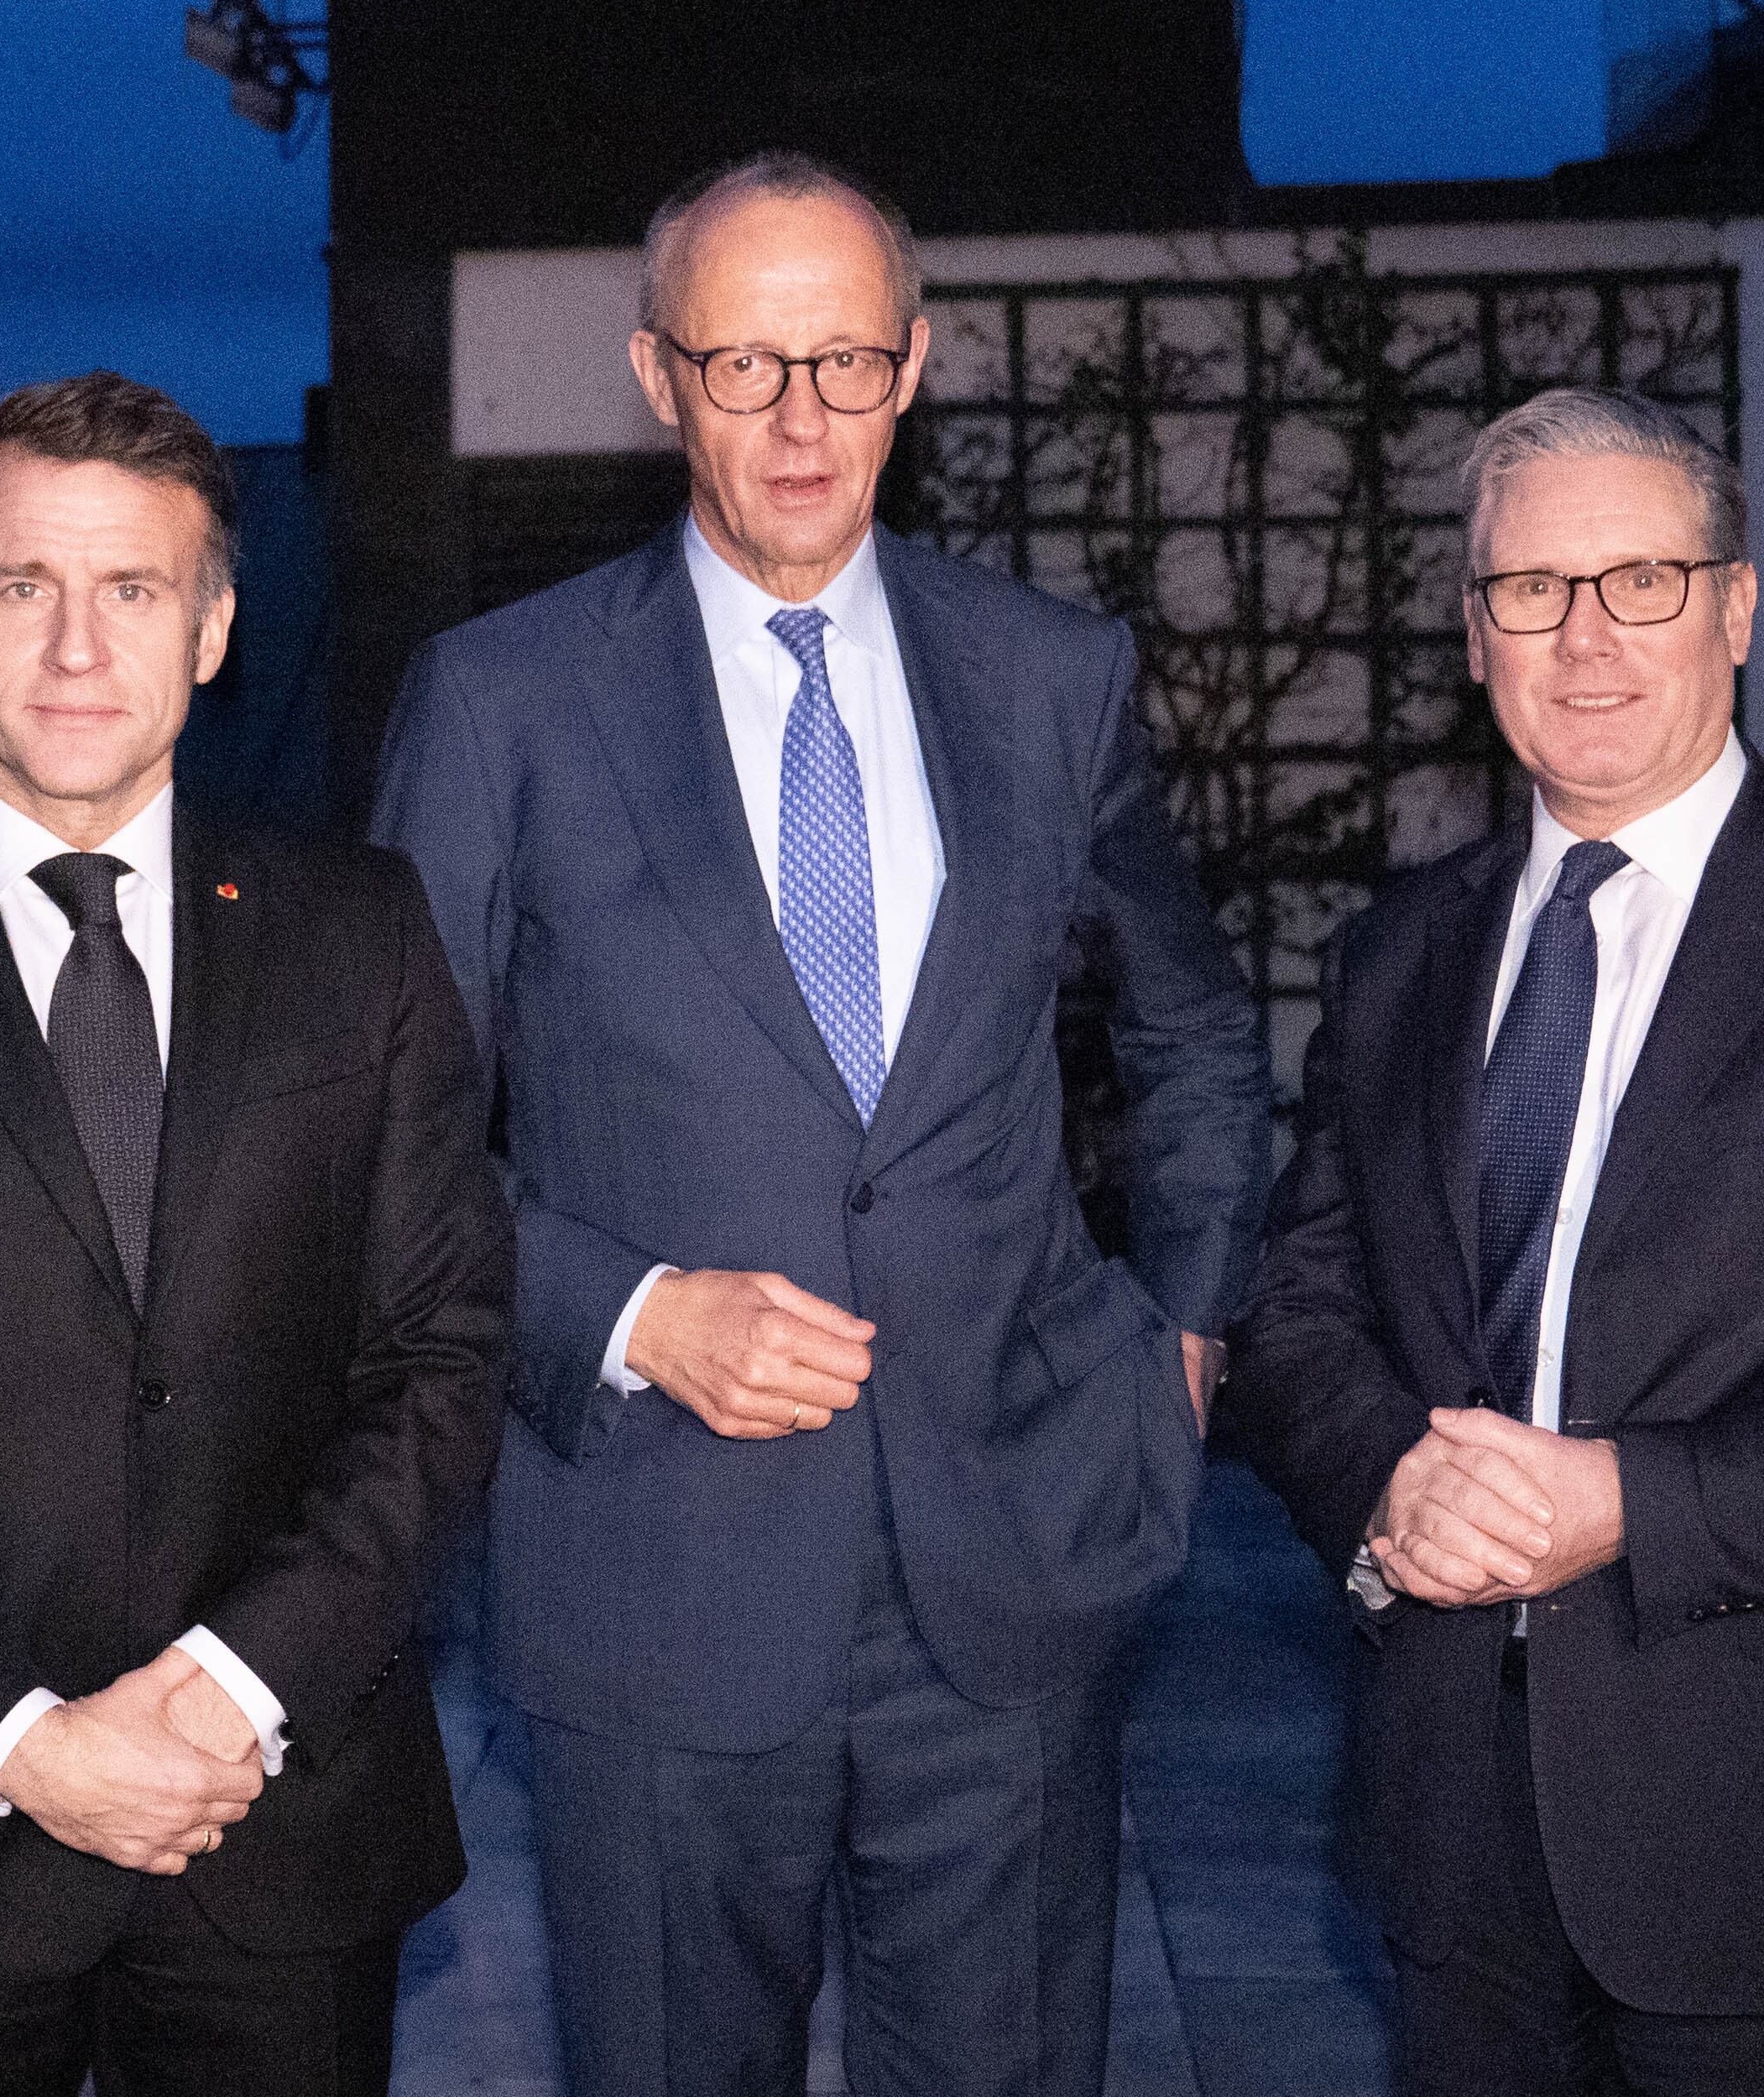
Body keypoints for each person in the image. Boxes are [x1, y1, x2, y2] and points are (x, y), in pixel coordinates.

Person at [373, 154, 1275, 2097]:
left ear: (916, 367)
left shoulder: (1051, 679)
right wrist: (628, 1314)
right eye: (746, 363)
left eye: (847, 361)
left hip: (1015, 1573)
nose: (800, 419)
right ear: (656, 374)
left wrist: (1178, 1344)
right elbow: (388, 1145)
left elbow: (1196, 1026)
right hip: (658, 1593)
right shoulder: (501, 702)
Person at [1223, 387, 1764, 2096]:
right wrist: (1384, 1487)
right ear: (1474, 632)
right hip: (1459, 1850)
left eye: (1640, 578)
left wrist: (1628, 1500)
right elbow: (1301, 1307)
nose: (1584, 638)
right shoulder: (1400, 953)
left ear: (1737, 604)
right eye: (1530, 589)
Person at [0, 371, 510, 2097]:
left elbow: (440, 1363)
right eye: (23, 587)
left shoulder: (364, 935)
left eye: (131, 590)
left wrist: (220, 1693)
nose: (73, 646)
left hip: (272, 1825)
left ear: (210, 631)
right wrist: (24, 1741)